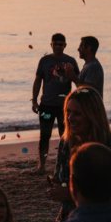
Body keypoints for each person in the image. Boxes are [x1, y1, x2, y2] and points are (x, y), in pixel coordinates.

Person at [49, 86, 111, 222]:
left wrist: (68, 193)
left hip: (103, 220)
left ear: (93, 115)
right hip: (69, 218)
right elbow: (59, 178)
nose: (70, 118)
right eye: (68, 112)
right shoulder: (66, 142)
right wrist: (57, 187)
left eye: (77, 113)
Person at [31, 34, 79, 174]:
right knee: (44, 135)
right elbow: (38, 80)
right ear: (51, 44)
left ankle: (67, 163)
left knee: (65, 136)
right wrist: (34, 100)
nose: (58, 46)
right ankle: (42, 165)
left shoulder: (70, 61)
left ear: (65, 45)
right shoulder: (45, 61)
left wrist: (79, 101)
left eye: (61, 44)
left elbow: (78, 81)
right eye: (55, 44)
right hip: (46, 105)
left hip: (65, 107)